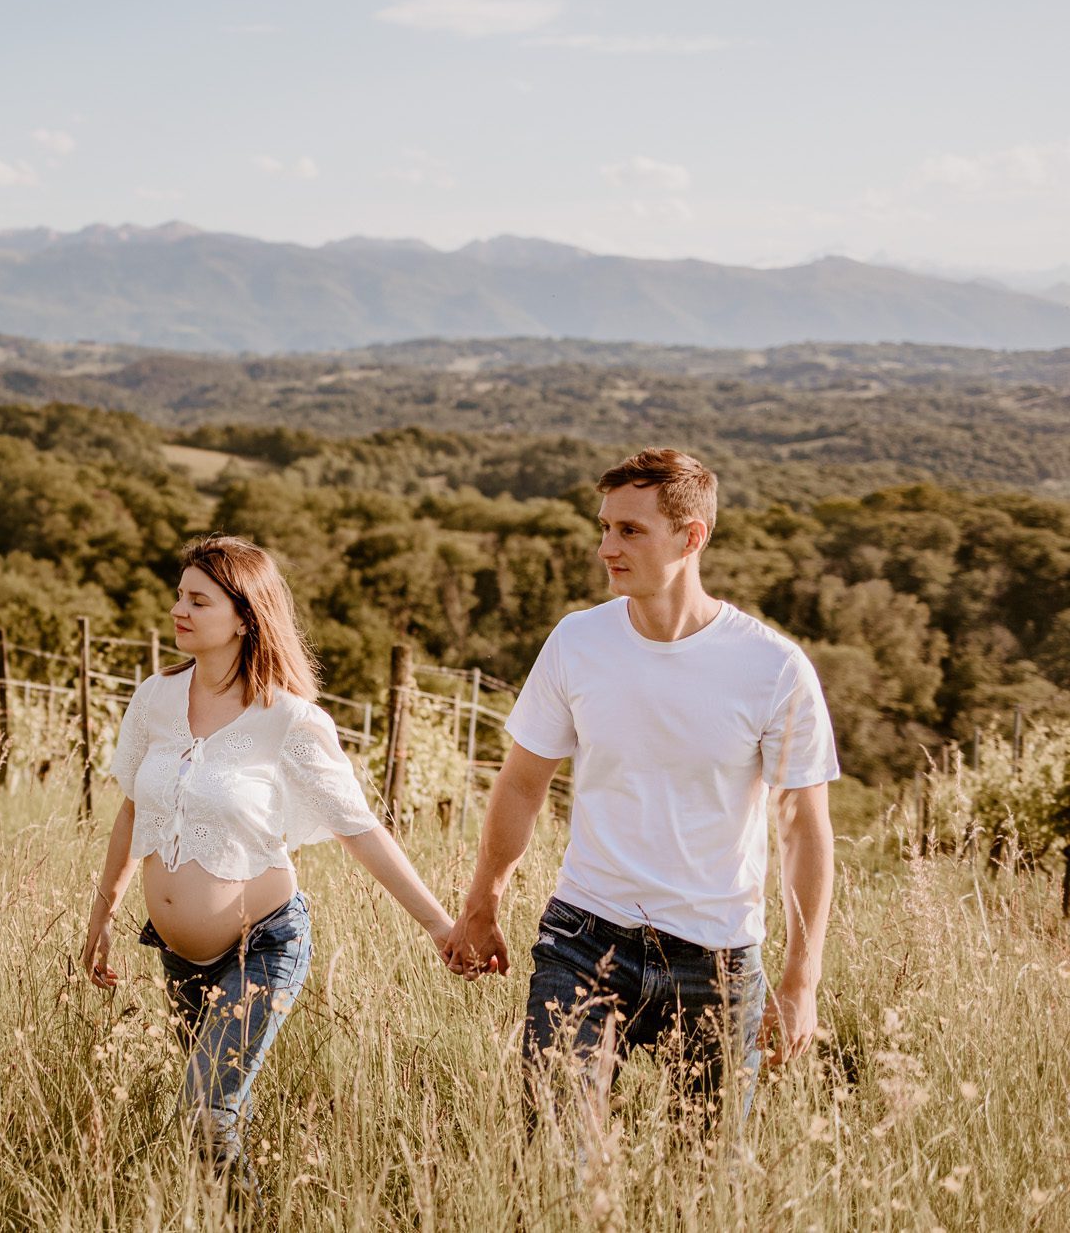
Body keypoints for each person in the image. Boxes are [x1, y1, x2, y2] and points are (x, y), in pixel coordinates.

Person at [442, 448, 838, 1134]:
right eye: (604, 527)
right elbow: (521, 784)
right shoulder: (577, 641)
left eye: (630, 530)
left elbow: (805, 829)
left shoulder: (773, 668)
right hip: (582, 938)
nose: (606, 547)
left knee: (709, 1180)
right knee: (556, 1161)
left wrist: (801, 980)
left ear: (692, 537)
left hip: (718, 957)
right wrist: (483, 902)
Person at [82, 534, 454, 1195]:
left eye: (198, 599)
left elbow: (360, 828)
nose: (179, 609)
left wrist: (442, 927)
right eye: (179, 595)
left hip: (263, 946)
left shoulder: (286, 718)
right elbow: (133, 810)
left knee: (204, 1113)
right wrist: (101, 917)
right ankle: (237, 1209)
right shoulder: (155, 698)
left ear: (246, 615)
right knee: (219, 1115)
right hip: (177, 957)